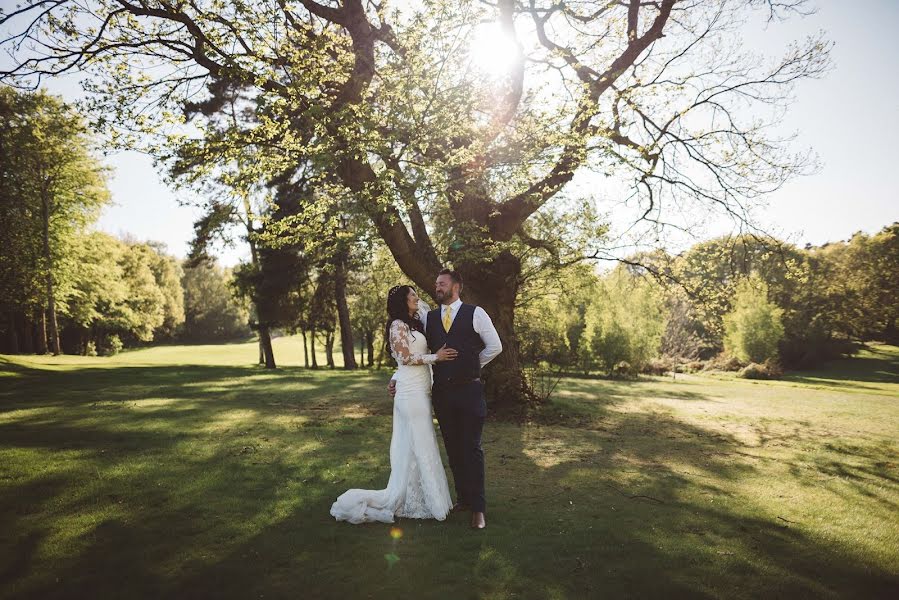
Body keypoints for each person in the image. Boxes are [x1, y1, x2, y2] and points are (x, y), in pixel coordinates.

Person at [330, 285, 456, 524]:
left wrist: (395, 377)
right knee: (421, 443)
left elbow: (403, 365)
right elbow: (405, 358)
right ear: (402, 301)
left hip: (420, 389)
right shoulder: (397, 325)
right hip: (409, 394)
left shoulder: (416, 323)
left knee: (419, 444)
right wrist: (435, 357)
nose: (416, 297)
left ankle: (423, 498)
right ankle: (427, 503)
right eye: (412, 295)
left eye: (416, 294)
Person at [389, 268, 502, 529]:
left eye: (442, 284)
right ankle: (462, 498)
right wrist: (396, 377)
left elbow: (495, 346)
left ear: (456, 287)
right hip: (442, 394)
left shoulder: (476, 314)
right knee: (453, 448)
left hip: (470, 391)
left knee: (472, 448)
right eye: (436, 283)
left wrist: (473, 365)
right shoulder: (429, 319)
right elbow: (413, 352)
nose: (437, 287)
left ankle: (478, 508)